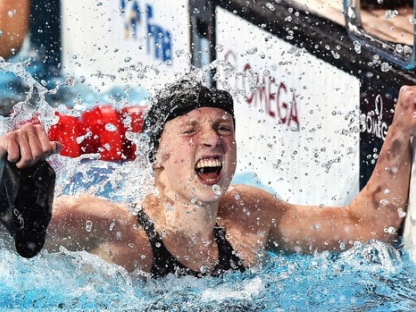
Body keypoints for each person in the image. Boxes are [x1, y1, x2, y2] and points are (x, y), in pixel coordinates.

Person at [0, 78, 414, 278]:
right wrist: (12, 186)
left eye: (224, 128)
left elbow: (370, 227)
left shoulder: (250, 214)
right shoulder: (116, 231)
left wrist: (403, 127)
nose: (212, 140)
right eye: (190, 131)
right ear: (157, 158)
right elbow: (16, 242)